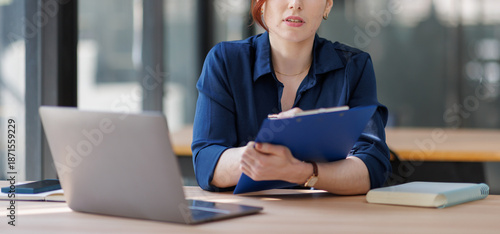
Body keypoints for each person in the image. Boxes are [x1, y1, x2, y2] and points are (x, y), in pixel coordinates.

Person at [192, 0, 391, 194]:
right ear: (262, 3)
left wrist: (300, 171)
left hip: (326, 217)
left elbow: (372, 167)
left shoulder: (354, 67)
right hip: (246, 219)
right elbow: (206, 162)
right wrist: (263, 157)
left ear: (327, 5)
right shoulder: (225, 61)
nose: (295, 4)